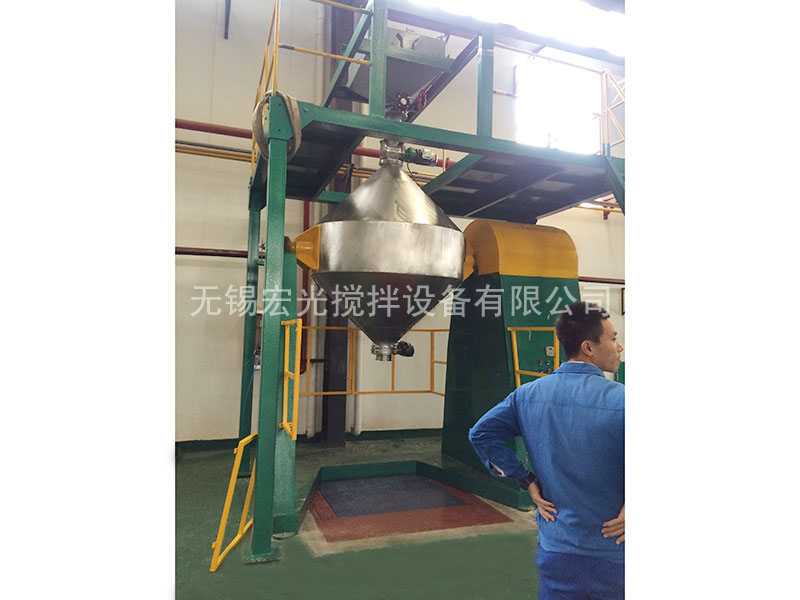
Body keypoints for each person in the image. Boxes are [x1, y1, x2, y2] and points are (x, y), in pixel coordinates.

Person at [469, 301, 625, 599]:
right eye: (613, 338)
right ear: (588, 347)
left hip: (557, 549)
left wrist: (526, 480)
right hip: (615, 552)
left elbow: (481, 434)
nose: (619, 347)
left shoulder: (527, 395)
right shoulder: (622, 400)